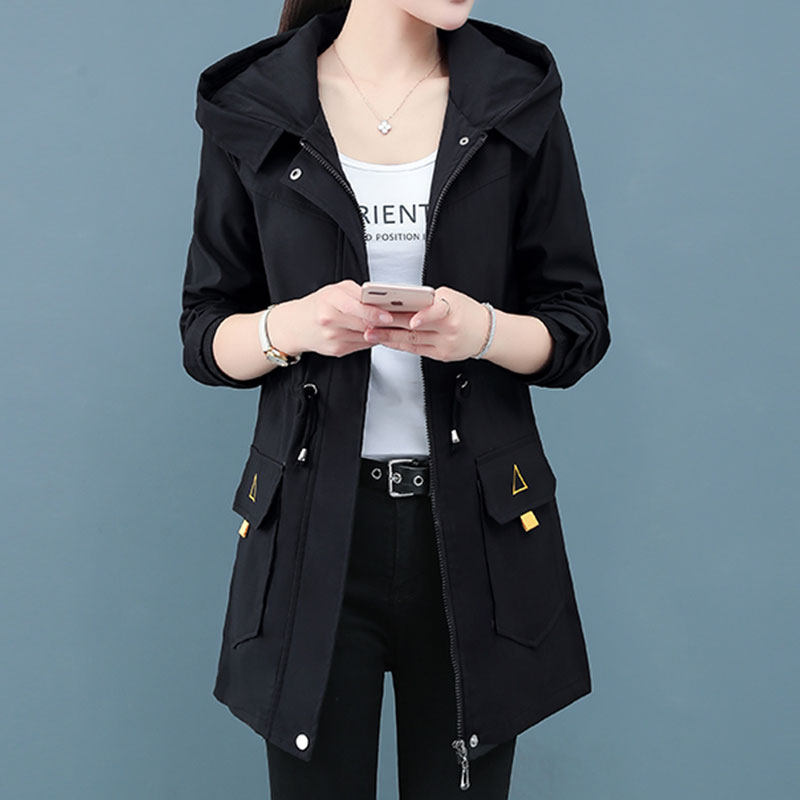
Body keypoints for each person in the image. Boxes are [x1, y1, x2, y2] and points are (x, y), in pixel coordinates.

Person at [179, 0, 611, 797]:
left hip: (477, 532)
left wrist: (480, 330)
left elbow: (579, 324)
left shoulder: (514, 98)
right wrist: (294, 324)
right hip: (312, 535)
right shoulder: (257, 107)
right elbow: (205, 334)